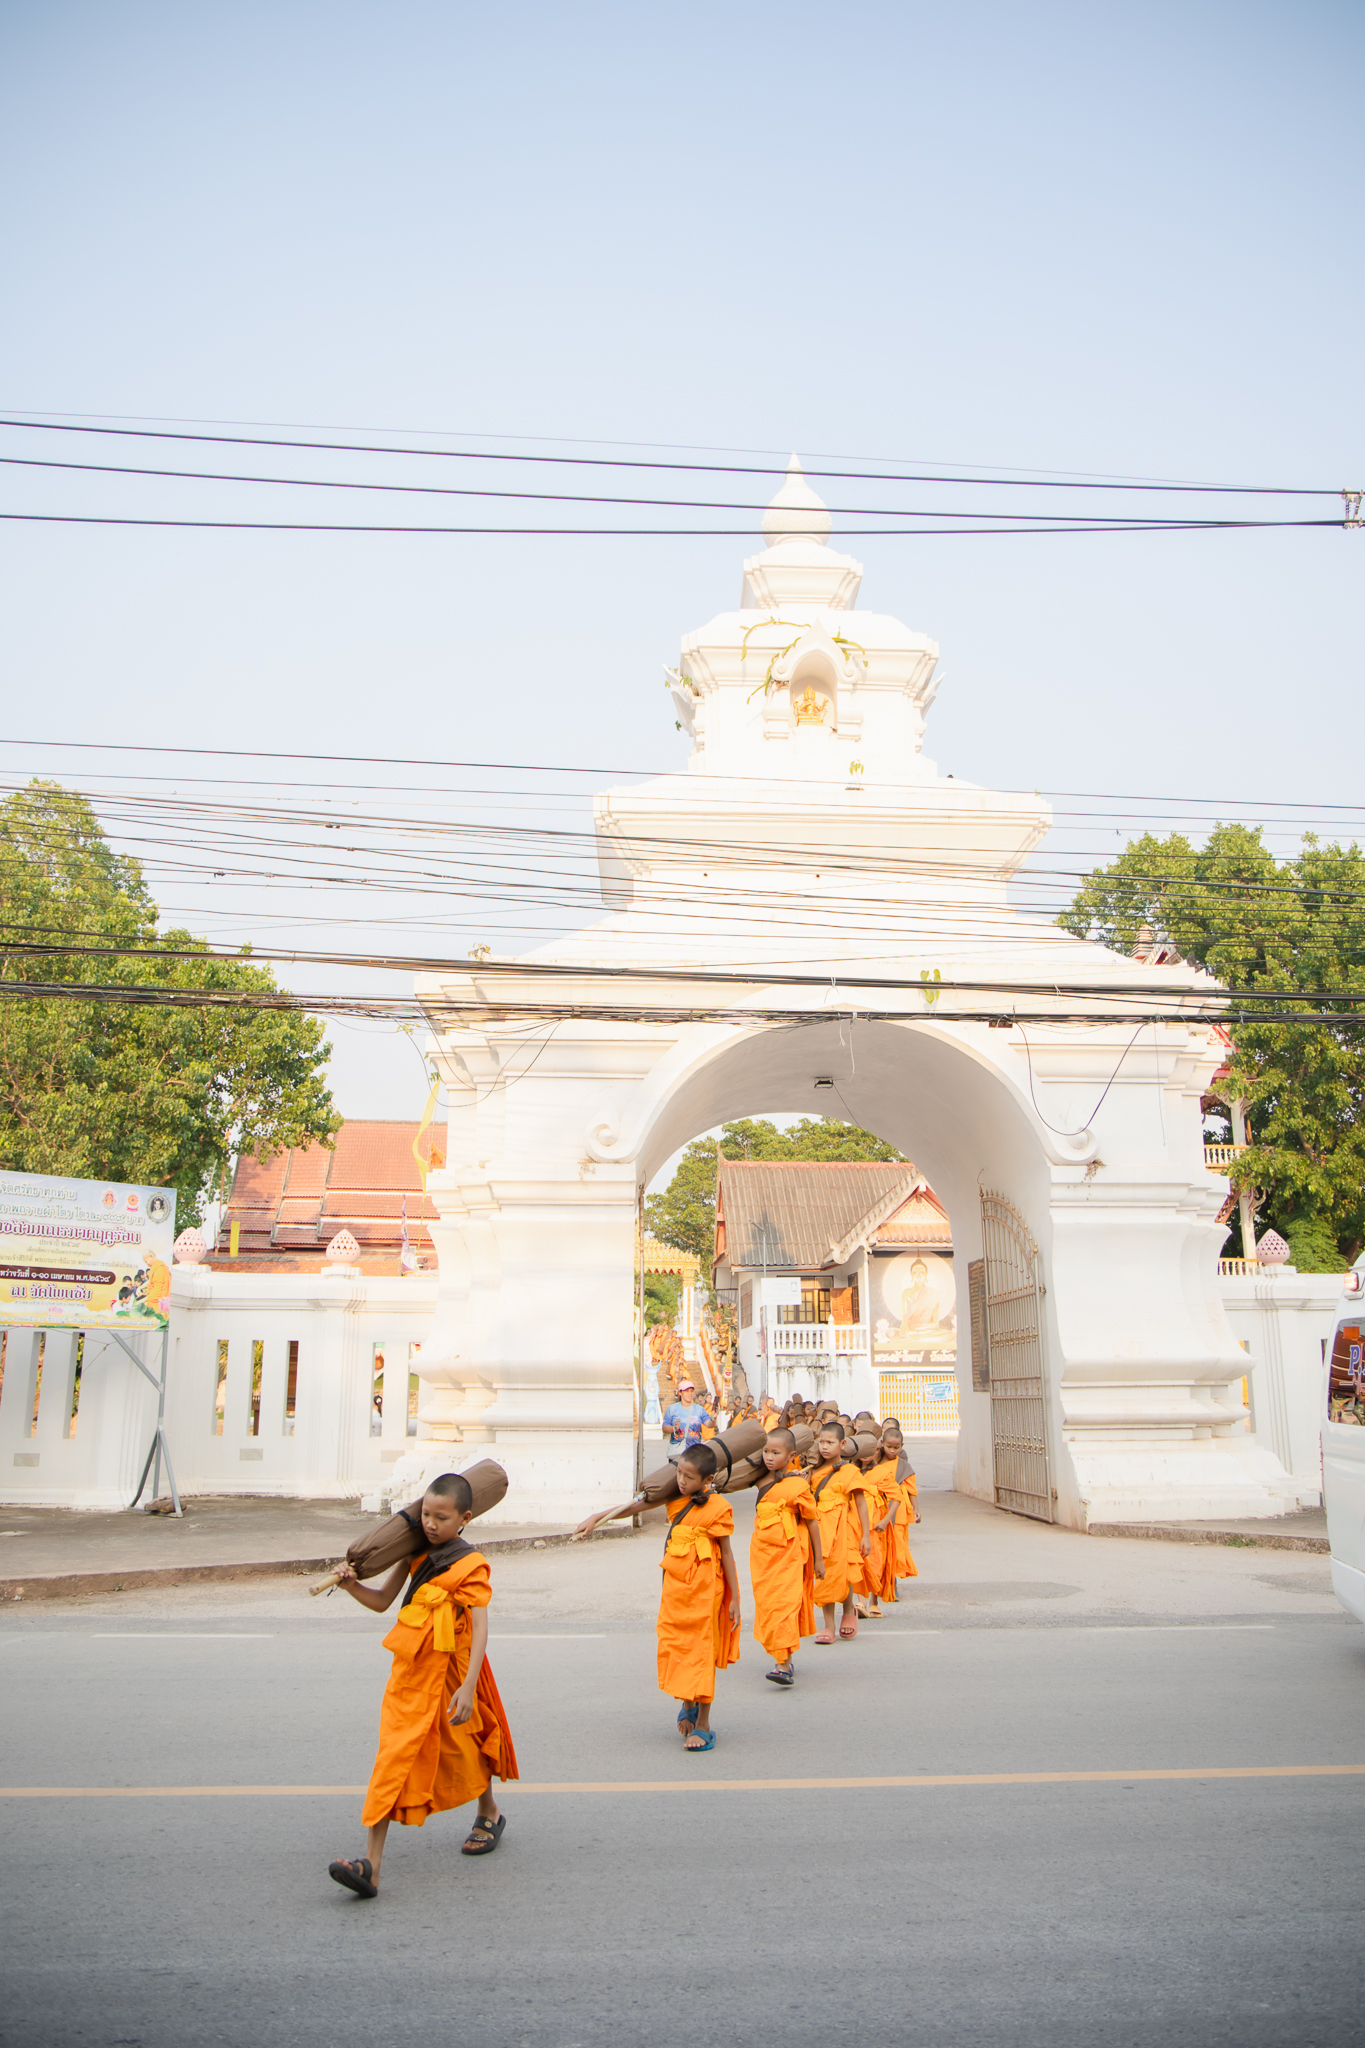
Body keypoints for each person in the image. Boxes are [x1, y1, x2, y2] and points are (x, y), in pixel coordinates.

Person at [327, 1472, 518, 1898]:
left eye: (442, 1517)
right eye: (426, 1515)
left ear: (464, 1518)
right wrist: (350, 1585)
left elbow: (482, 1627)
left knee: (465, 1742)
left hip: (453, 1673)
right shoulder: (413, 1556)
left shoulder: (470, 1564)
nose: (431, 1524)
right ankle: (371, 1866)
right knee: (392, 1755)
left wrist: (468, 1687)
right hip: (411, 1673)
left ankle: (489, 1811)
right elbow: (381, 1604)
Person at [574, 1441, 741, 1750]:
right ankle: (687, 1702)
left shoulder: (720, 1508)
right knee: (678, 1645)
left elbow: (727, 1554)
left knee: (702, 1653)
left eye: (689, 1478)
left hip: (707, 1593)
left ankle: (703, 1723)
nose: (681, 1481)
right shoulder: (676, 1499)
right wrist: (597, 1518)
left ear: (708, 1481)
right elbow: (634, 1507)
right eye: (679, 1473)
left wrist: (735, 1600)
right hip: (677, 1590)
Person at [748, 1427, 824, 1687]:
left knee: (784, 1606)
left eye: (775, 1452)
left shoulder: (798, 1485)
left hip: (791, 1553)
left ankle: (782, 1664)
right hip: (763, 1554)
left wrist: (819, 1560)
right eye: (766, 1451)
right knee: (770, 1605)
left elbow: (812, 1522)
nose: (769, 1457)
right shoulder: (759, 1480)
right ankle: (785, 1656)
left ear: (791, 1455)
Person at [808, 1420, 872, 1643]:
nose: (824, 1447)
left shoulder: (850, 1471)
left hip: (845, 1527)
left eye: (830, 1442)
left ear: (842, 1443)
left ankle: (847, 1612)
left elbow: (861, 1503)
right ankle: (828, 1626)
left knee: (845, 1572)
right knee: (823, 1573)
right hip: (820, 1528)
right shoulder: (814, 1471)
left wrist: (866, 1535)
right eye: (821, 1442)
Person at [661, 1378, 712, 1448]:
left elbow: (709, 1424)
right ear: (680, 1392)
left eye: (691, 1391)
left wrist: (714, 1418)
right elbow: (664, 1428)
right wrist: (674, 1428)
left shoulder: (699, 1409)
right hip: (678, 1453)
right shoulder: (672, 1409)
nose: (690, 1394)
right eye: (686, 1391)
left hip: (695, 1451)